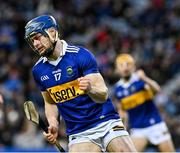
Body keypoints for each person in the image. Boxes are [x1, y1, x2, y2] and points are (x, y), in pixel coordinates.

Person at [24, 15, 136, 152]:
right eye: (31, 41)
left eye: (37, 37)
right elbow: (50, 102)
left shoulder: (80, 55)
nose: (35, 44)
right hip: (79, 133)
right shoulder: (38, 70)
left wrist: (90, 89)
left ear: (52, 32)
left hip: (106, 122)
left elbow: (103, 95)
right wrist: (53, 124)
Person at [114, 53, 175, 152]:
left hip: (155, 125)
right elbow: (122, 111)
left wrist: (145, 78)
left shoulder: (140, 80)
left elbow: (157, 90)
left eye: (128, 64)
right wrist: (123, 130)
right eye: (121, 65)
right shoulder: (118, 89)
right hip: (137, 128)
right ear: (117, 69)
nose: (125, 68)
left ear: (133, 66)